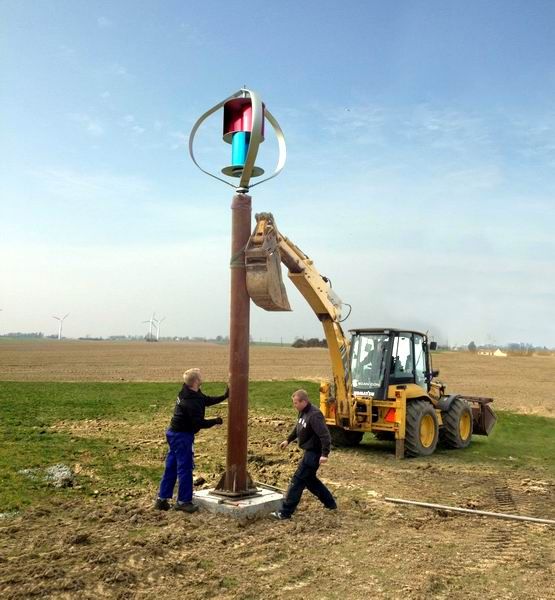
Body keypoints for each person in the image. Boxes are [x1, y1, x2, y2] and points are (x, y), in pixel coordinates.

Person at [154, 368, 228, 513]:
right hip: (182, 437)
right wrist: (215, 421)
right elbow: (198, 423)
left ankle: (162, 500)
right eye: (200, 376)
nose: (202, 377)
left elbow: (205, 400)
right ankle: (183, 502)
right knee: (185, 468)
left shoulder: (188, 392)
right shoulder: (190, 402)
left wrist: (224, 396)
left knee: (172, 466)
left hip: (173, 434)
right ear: (196, 381)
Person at [271, 389, 337, 520]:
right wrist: (288, 440)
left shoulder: (314, 415)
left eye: (296, 403)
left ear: (304, 401)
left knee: (297, 480)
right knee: (310, 481)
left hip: (314, 454)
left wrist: (325, 454)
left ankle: (285, 512)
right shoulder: (302, 412)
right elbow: (298, 427)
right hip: (308, 452)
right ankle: (330, 504)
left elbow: (325, 436)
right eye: (294, 402)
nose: (294, 405)